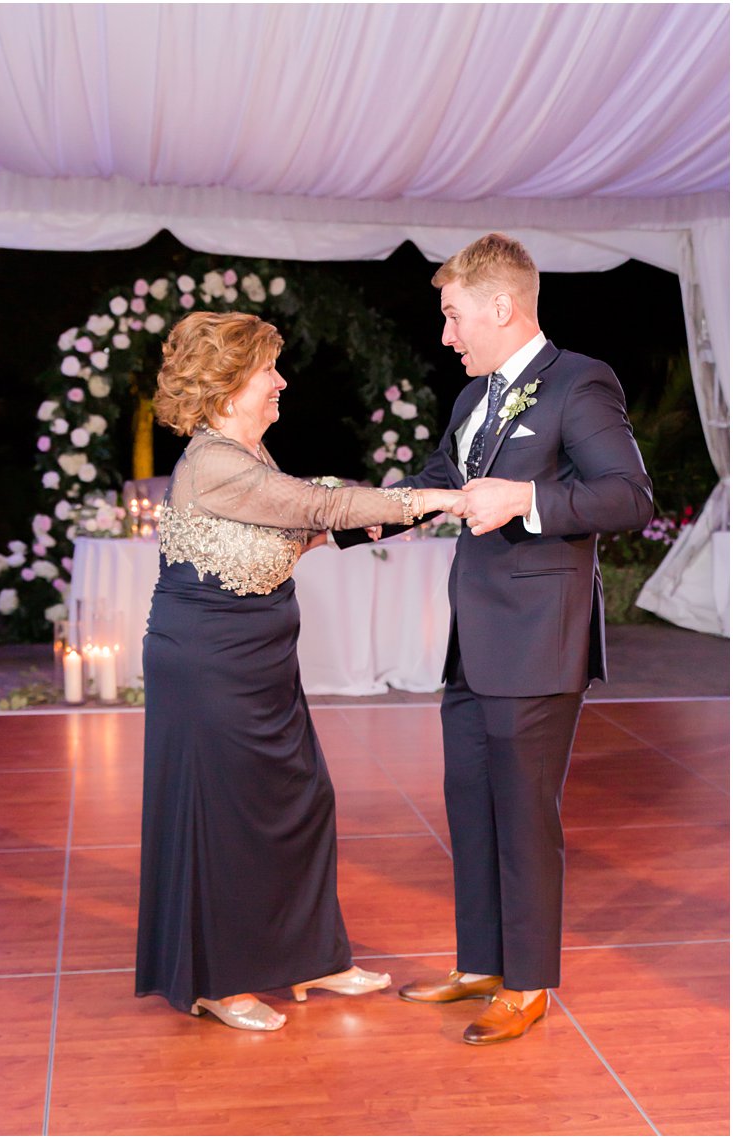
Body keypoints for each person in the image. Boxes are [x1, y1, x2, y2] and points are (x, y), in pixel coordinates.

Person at [340, 233, 653, 1044]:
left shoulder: (580, 382)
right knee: (472, 808)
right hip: (474, 644)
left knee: (523, 815)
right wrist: (338, 519)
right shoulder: (472, 397)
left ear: (502, 306)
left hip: (538, 642)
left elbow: (626, 496)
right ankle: (480, 961)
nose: (447, 335)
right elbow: (435, 484)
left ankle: (530, 981)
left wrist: (525, 498)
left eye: (453, 316)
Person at [134, 311, 467, 1030]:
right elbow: (320, 503)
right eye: (267, 371)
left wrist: (356, 523)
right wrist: (436, 498)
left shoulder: (249, 458)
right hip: (208, 664)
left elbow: (296, 533)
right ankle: (216, 980)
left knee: (303, 798)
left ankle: (311, 956)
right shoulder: (214, 461)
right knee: (228, 817)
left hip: (259, 660)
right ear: (227, 387)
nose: (280, 381)